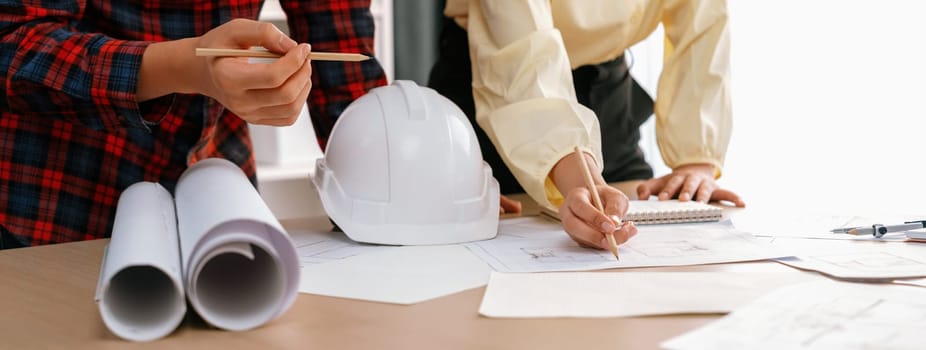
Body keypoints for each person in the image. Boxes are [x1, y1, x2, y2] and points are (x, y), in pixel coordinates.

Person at [0, 1, 387, 248]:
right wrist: (183, 67)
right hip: (53, 198)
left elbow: (342, 44)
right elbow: (11, 42)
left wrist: (384, 193)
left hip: (214, 185)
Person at [429, 0, 746, 250]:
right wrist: (579, 180)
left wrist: (696, 160)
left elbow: (703, 25)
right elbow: (523, 61)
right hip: (498, 90)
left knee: (623, 227)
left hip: (606, 89)